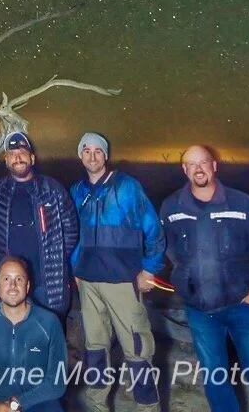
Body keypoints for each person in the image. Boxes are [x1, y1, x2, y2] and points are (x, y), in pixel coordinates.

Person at [159, 146, 249, 411]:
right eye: (191, 164)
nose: (198, 169)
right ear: (184, 169)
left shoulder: (241, 202)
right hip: (200, 310)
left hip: (244, 306)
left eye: (203, 162)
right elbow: (163, 245)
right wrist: (181, 277)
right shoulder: (171, 207)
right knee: (216, 380)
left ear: (214, 165)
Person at [69, 132, 164, 412]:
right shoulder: (77, 191)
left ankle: (147, 408)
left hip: (124, 281)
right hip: (88, 283)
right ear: (80, 156)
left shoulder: (127, 187)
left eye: (98, 151)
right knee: (95, 347)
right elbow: (73, 235)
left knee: (137, 349)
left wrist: (149, 269)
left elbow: (154, 229)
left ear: (106, 156)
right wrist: (75, 268)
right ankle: (97, 406)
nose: (92, 156)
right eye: (86, 151)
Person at [0, 131, 78, 323]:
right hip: (12, 283)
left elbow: (71, 230)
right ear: (6, 160)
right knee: (15, 336)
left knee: (50, 333)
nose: (18, 158)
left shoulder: (52, 190)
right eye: (12, 154)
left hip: (48, 282)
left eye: (22, 153)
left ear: (32, 158)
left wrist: (55, 256)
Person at [0, 257, 68, 412]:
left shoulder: (49, 322)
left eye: (19, 279)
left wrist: (18, 403)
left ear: (27, 286)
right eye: (6, 279)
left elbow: (57, 382)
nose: (13, 286)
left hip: (38, 402)